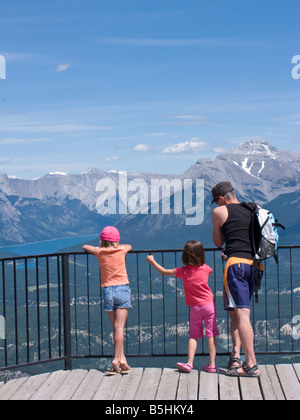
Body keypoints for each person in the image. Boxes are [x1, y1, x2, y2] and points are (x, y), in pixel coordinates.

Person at [211, 182, 262, 378]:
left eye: (216, 201)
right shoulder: (253, 207)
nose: (216, 205)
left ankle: (251, 364)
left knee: (241, 316)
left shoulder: (220, 212)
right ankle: (236, 355)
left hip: (236, 266)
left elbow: (218, 242)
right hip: (255, 266)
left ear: (222, 198)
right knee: (237, 312)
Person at [147, 241, 219, 374]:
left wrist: (152, 261)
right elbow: (210, 269)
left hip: (195, 308)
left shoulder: (183, 272)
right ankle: (212, 365)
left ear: (185, 256)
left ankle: (190, 363)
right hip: (209, 305)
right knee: (211, 334)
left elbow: (163, 271)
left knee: (193, 335)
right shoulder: (206, 268)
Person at [83, 226, 132, 374]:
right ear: (116, 241)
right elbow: (130, 246)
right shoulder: (122, 250)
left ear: (102, 241)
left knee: (116, 327)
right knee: (119, 327)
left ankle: (122, 359)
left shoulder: (99, 252)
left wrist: (99, 247)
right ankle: (117, 359)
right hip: (122, 289)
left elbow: (85, 246)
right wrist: (120, 246)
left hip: (108, 291)